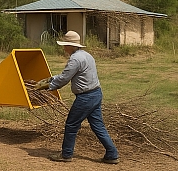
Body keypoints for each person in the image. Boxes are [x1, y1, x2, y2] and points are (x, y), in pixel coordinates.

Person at [34, 31, 119, 164]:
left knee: (71, 125)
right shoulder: (87, 55)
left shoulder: (75, 59)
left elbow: (64, 78)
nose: (64, 48)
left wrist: (48, 86)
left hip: (85, 97)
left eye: (65, 45)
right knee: (98, 126)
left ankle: (66, 154)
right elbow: (67, 75)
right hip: (96, 93)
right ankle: (112, 154)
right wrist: (51, 79)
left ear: (71, 46)